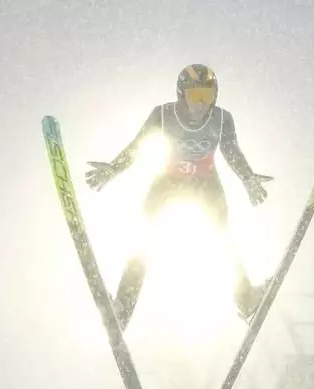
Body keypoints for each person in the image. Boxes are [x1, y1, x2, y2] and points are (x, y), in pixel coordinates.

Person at [85, 64, 271, 329]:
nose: (201, 105)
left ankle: (246, 300)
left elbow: (231, 151)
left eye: (208, 97)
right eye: (195, 96)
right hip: (168, 182)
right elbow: (138, 146)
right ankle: (122, 308)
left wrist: (248, 178)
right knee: (143, 241)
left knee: (224, 239)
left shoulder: (221, 119)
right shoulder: (162, 115)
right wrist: (113, 169)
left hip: (206, 184)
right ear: (181, 94)